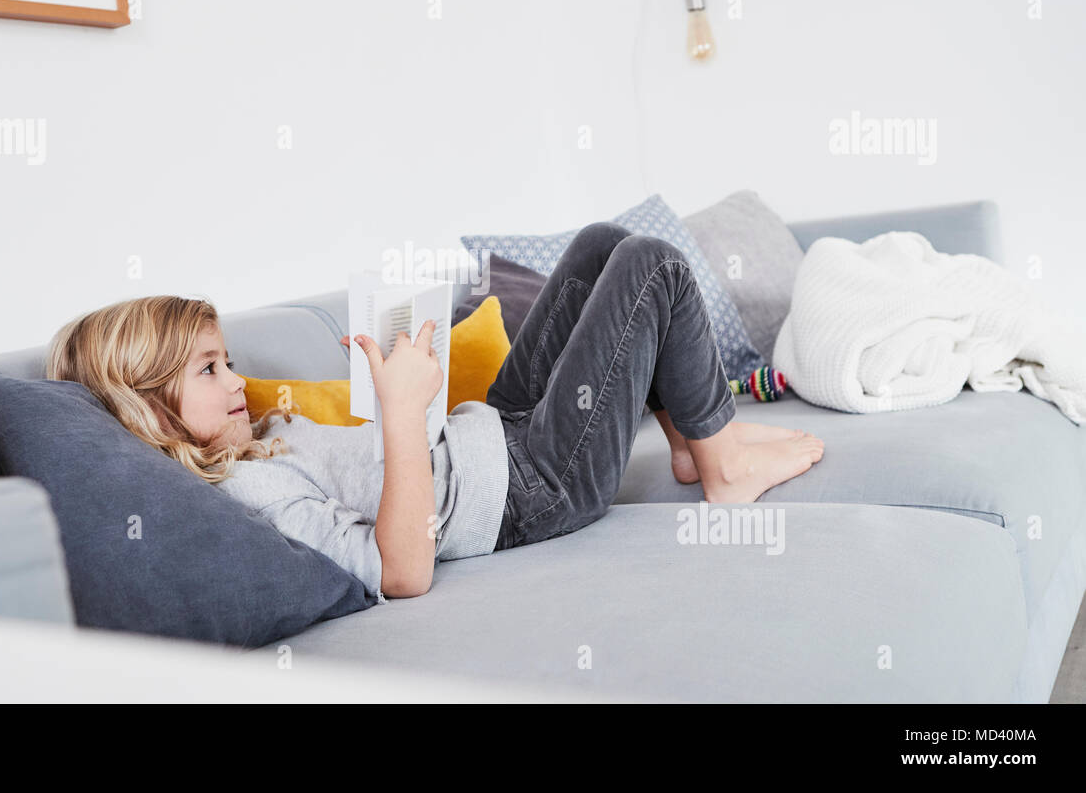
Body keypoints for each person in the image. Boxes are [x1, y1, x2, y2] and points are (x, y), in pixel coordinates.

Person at [47, 222, 823, 601]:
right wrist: (399, 408)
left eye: (231, 360)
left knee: (599, 247)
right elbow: (402, 570)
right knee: (653, 266)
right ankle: (721, 466)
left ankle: (692, 438)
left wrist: (403, 395)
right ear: (148, 408)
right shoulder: (252, 494)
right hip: (536, 486)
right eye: (210, 370)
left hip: (495, 433)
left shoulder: (258, 447)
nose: (237, 380)